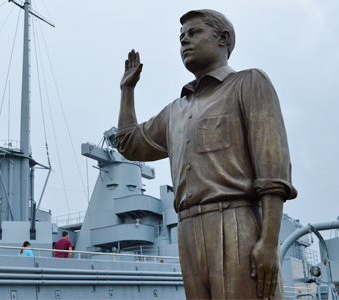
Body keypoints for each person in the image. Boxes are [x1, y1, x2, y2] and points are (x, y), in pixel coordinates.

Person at [116, 9, 297, 300]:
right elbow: (128, 143)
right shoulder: (175, 111)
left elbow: (273, 170)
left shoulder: (248, 84)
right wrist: (127, 90)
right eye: (181, 37)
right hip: (187, 230)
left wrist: (269, 242)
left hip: (236, 223)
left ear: (223, 38)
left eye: (195, 33)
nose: (185, 41)